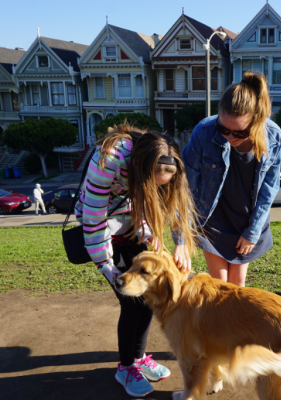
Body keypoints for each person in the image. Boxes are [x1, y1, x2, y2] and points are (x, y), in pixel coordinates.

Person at [75, 125, 197, 398]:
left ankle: (139, 357)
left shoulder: (162, 158)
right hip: (103, 229)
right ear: (141, 167)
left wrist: (170, 241)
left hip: (132, 225)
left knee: (148, 296)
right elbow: (93, 221)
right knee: (131, 300)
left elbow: (158, 204)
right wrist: (108, 268)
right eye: (154, 181)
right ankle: (126, 367)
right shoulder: (109, 159)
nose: (157, 187)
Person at [182, 72, 281, 287]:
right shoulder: (204, 131)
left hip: (246, 222)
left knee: (238, 285)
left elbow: (269, 189)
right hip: (212, 219)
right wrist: (182, 240)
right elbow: (185, 187)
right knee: (220, 285)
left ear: (255, 122)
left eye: (239, 132)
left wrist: (252, 232)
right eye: (223, 129)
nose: (229, 137)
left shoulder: (273, 136)